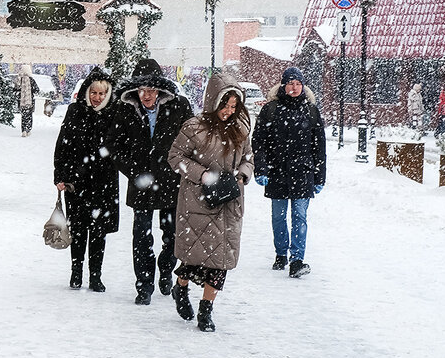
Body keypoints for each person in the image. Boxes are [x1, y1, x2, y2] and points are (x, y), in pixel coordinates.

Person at [167, 72, 253, 332]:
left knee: (220, 262)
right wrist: (203, 175)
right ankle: (180, 288)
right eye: (224, 105)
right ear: (213, 101)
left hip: (229, 204)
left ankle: (206, 310)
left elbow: (249, 158)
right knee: (194, 259)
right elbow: (175, 157)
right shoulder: (194, 127)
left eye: (233, 106)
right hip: (199, 204)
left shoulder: (240, 130)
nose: (228, 111)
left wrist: (243, 174)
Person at [108, 57, 194, 304]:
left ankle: (166, 270)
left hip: (171, 183)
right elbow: (113, 146)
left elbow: (191, 139)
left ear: (160, 90)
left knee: (172, 236)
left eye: (152, 89)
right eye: (142, 90)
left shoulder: (179, 106)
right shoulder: (124, 109)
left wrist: (181, 166)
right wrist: (134, 171)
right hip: (141, 184)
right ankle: (144, 284)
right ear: (135, 90)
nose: (147, 95)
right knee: (142, 237)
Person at [252, 66, 327, 279]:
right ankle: (280, 253)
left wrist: (320, 176)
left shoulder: (311, 111)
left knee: (299, 216)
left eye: (297, 84)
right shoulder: (271, 110)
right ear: (283, 86)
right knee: (278, 216)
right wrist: (262, 168)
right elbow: (259, 142)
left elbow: (319, 146)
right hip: (277, 172)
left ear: (303, 86)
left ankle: (297, 259)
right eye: (290, 84)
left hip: (303, 172)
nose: (294, 88)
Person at [53, 68, 119, 292]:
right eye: (94, 93)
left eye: (102, 93)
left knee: (99, 233)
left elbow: (119, 147)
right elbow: (62, 145)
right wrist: (60, 176)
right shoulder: (75, 111)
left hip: (104, 183)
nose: (97, 98)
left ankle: (96, 276)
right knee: (78, 230)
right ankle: (76, 272)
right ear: (87, 92)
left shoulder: (114, 114)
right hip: (77, 181)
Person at [17, 64, 37, 137]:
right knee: (29, 116)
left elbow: (15, 90)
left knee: (23, 116)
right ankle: (28, 129)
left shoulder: (19, 79)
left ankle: (23, 130)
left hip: (21, 102)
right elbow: (37, 90)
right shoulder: (31, 80)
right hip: (30, 101)